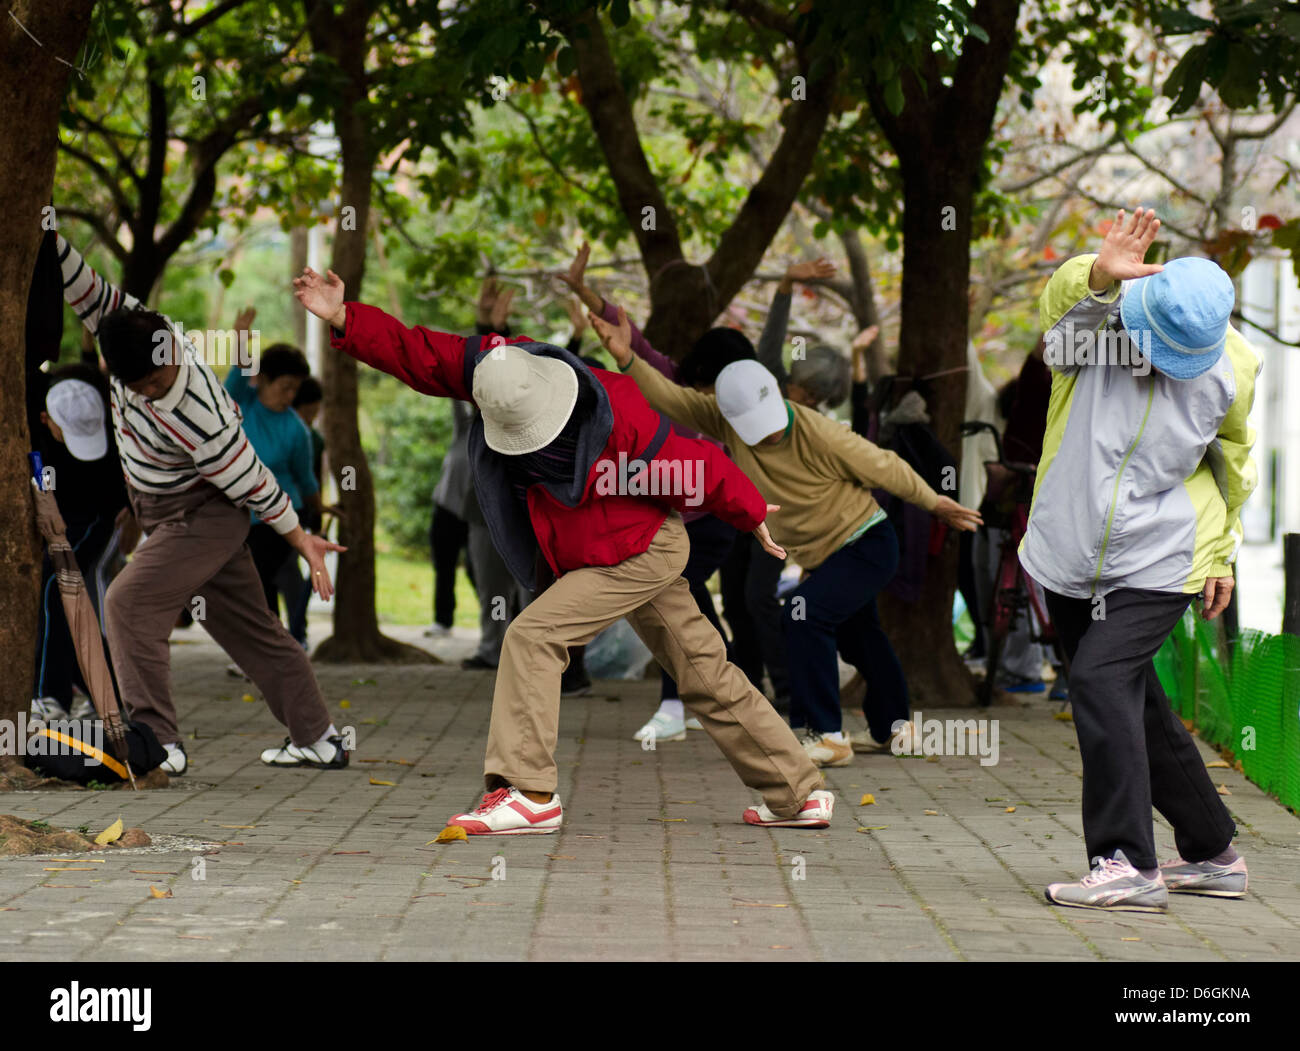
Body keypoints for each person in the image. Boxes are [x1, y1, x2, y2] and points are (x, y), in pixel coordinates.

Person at [294, 265, 833, 834]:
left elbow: (696, 466)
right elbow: (418, 352)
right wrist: (344, 317)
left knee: (531, 635)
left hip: (641, 549)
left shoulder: (622, 417)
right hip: (599, 550)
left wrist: (751, 512)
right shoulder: (497, 366)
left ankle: (528, 792)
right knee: (704, 671)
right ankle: (798, 792)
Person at [592, 308, 982, 771]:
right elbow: (671, 398)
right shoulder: (723, 421)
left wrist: (936, 503)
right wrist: (627, 358)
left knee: (802, 614)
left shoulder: (816, 430)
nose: (771, 433)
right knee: (861, 640)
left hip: (867, 542)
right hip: (828, 556)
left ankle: (827, 735)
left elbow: (883, 465)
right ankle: (897, 730)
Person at [1028, 209, 1258, 911]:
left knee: (1099, 678)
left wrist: (1221, 554)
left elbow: (1235, 463)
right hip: (1069, 545)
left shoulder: (1234, 365)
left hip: (1166, 549)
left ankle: (1126, 861)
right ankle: (1214, 850)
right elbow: (1055, 314)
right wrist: (1098, 274)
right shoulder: (1097, 322)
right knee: (1135, 699)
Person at [55, 235, 349, 776]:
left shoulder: (200, 410)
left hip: (204, 515)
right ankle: (320, 738)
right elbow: (80, 281)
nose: (157, 388)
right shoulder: (125, 324)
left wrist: (299, 537)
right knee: (251, 629)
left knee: (126, 603)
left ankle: (160, 744)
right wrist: (47, 231)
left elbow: (252, 481)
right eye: (144, 386)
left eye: (161, 377)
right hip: (165, 509)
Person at [30, 365, 133, 722]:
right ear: (45, 418)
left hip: (93, 522)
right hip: (59, 520)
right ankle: (107, 695)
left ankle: (49, 696)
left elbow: (121, 493)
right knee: (65, 609)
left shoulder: (108, 422)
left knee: (55, 586)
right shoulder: (33, 413)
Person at [221, 316, 322, 628]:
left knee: (261, 580)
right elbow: (239, 372)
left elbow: (306, 479)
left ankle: (276, 649)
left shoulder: (296, 430)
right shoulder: (242, 403)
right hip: (238, 516)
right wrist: (241, 339)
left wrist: (317, 515)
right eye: (285, 387)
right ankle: (274, 648)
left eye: (296, 390)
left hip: (280, 516)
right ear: (263, 379)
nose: (291, 397)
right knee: (250, 588)